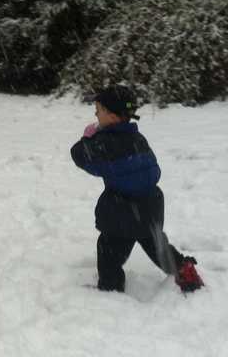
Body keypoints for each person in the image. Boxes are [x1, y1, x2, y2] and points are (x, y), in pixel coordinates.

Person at [70, 85, 204, 292]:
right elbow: (153, 170)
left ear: (113, 117)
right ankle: (183, 268)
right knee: (158, 248)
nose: (95, 114)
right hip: (150, 209)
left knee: (109, 252)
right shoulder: (137, 139)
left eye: (99, 110)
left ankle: (110, 287)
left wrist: (88, 138)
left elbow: (79, 156)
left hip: (122, 214)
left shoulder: (106, 143)